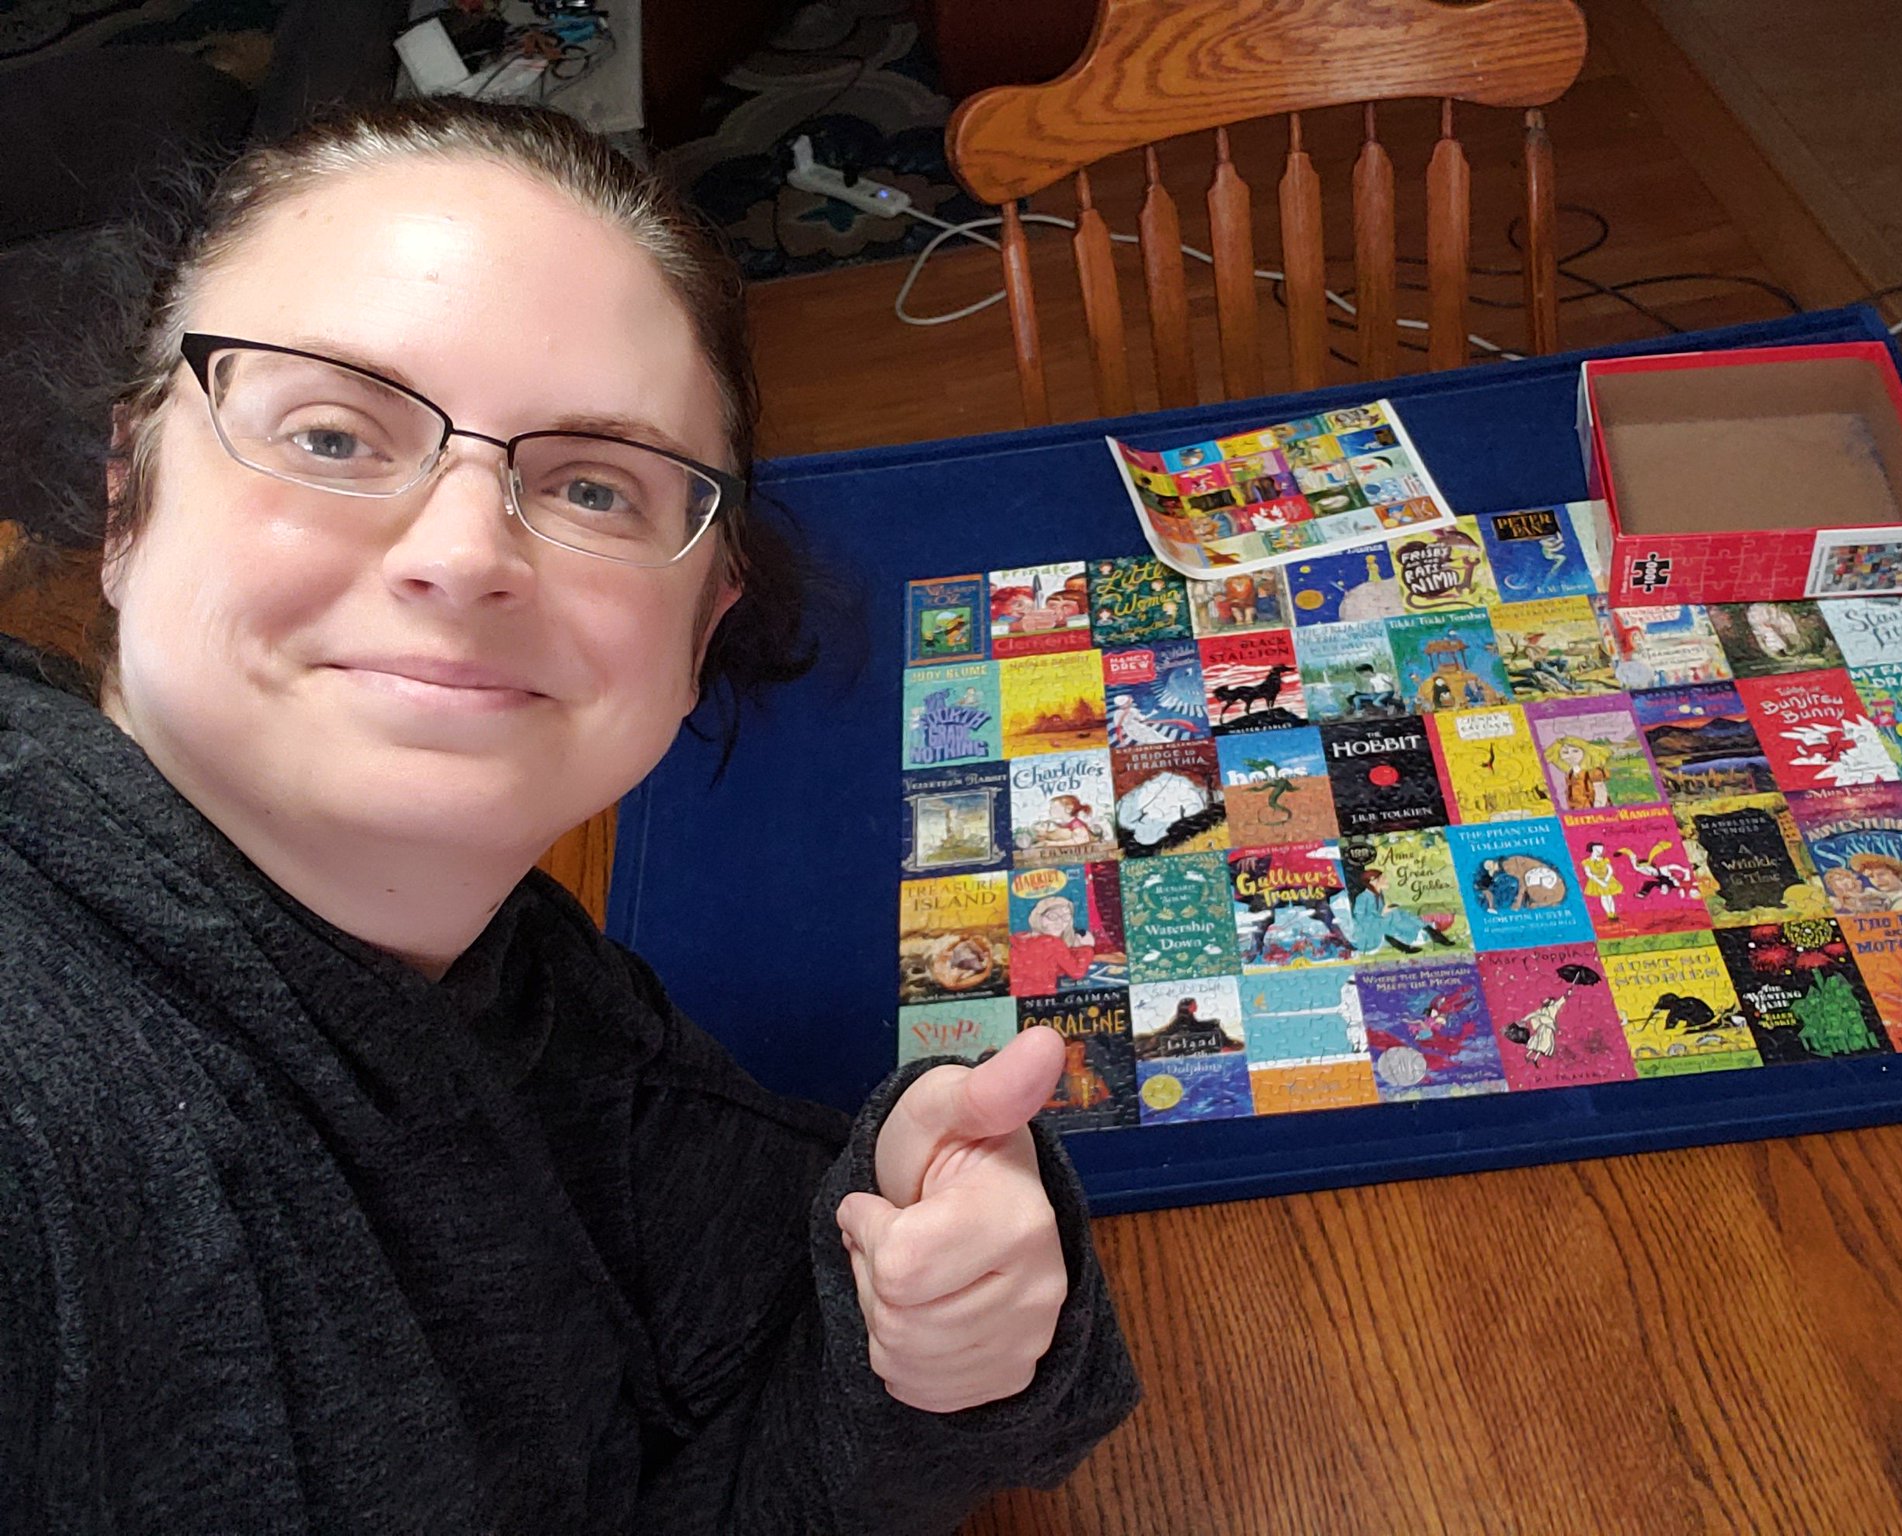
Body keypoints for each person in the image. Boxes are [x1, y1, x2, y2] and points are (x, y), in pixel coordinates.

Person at [0, 99, 1137, 1533]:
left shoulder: (557, 1017)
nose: (463, 549)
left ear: (706, 621)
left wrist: (924, 1354)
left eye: (593, 486)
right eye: (335, 434)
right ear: (127, 502)